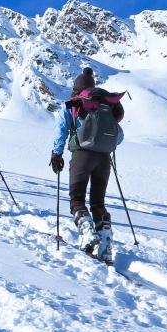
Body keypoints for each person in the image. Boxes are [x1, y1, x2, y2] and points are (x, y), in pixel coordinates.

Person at [50, 67, 125, 262]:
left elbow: (61, 130)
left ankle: (87, 232)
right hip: (104, 159)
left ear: (76, 89)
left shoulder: (74, 105)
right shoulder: (105, 107)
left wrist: (57, 154)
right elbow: (120, 136)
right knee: (98, 202)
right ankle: (105, 242)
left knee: (77, 200)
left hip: (82, 157)